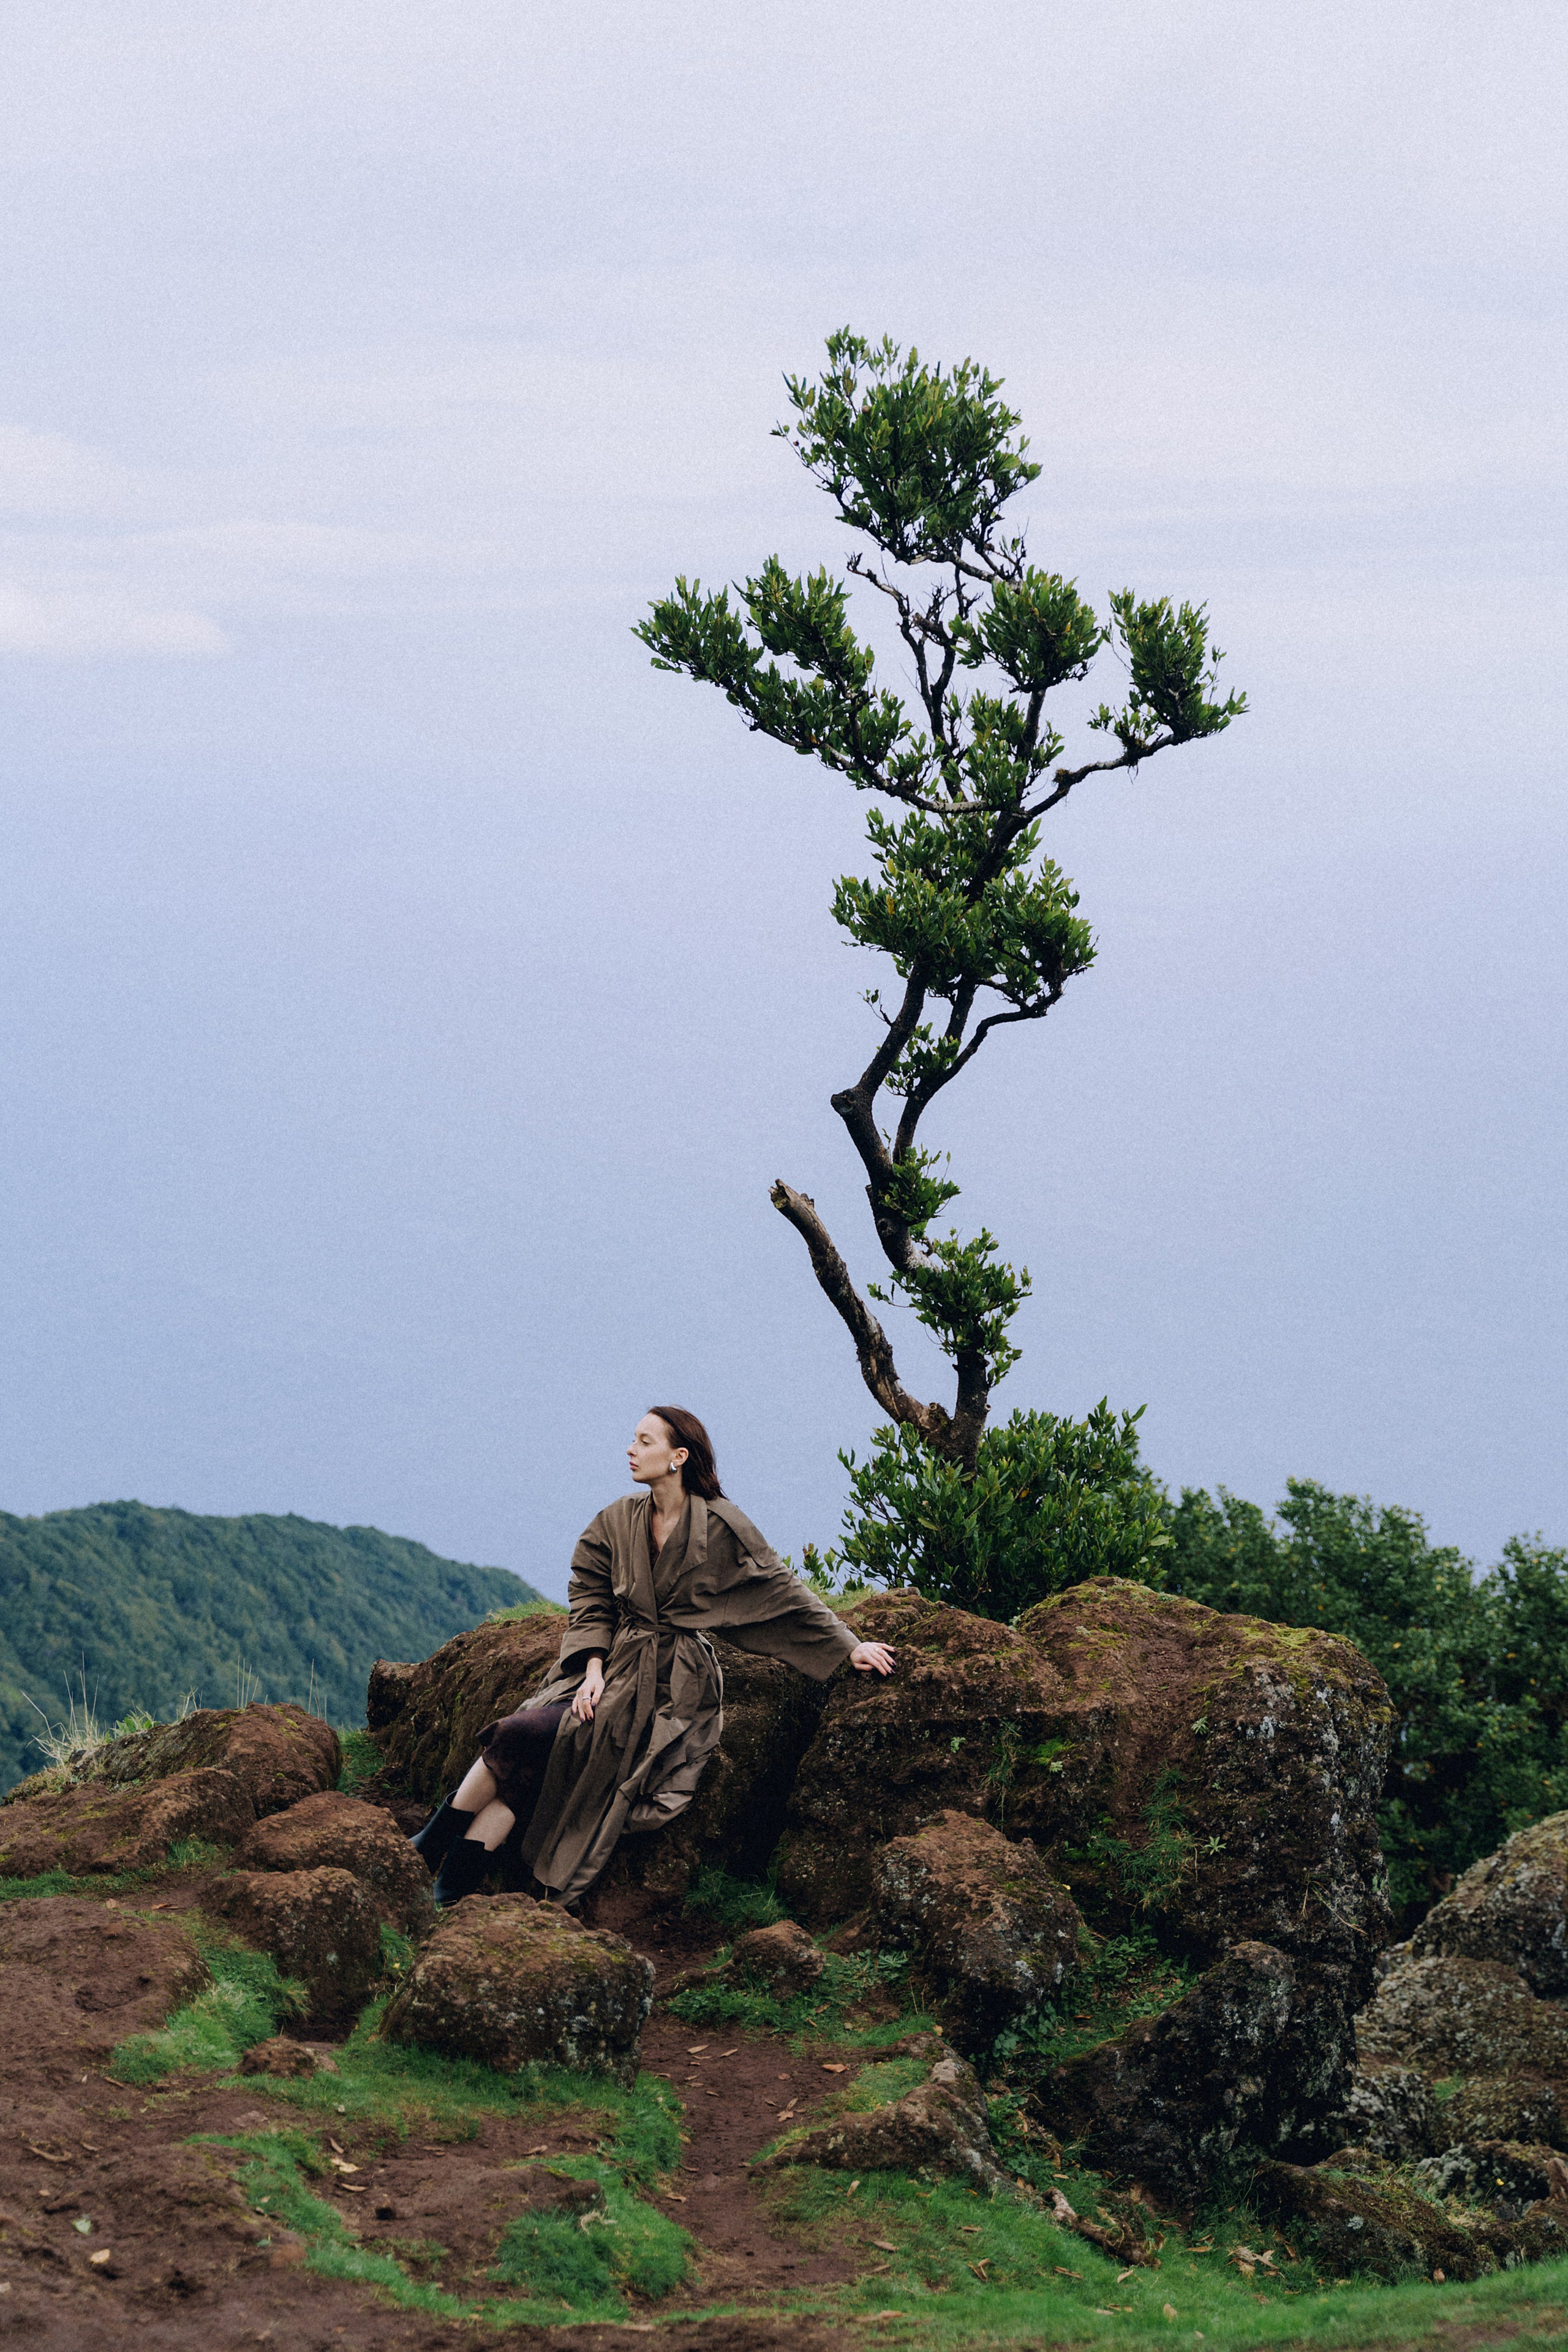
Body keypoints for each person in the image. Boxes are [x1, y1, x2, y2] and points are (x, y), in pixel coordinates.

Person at [410, 1406, 895, 1909]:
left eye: (644, 1441)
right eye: (633, 1439)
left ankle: (432, 1846)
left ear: (677, 1457)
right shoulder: (621, 1518)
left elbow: (781, 1592)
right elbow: (590, 1591)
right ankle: (453, 1885)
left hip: (672, 1682)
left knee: (523, 1736)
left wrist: (849, 1645)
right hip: (614, 1661)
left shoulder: (724, 1527)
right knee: (535, 1753)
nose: (631, 1449)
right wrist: (593, 1669)